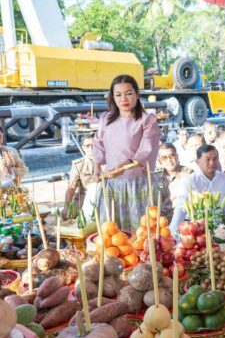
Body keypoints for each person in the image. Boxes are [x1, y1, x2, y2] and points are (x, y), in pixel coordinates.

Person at [92, 74, 161, 230]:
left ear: (137, 95)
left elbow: (146, 150)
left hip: (137, 185)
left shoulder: (147, 120)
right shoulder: (105, 119)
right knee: (113, 235)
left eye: (128, 93)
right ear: (113, 97)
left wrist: (121, 168)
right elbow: (98, 145)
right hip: (112, 185)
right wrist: (96, 170)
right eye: (118, 94)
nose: (123, 98)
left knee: (141, 234)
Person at [170, 144, 225, 233]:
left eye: (215, 159)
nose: (212, 163)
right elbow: (180, 209)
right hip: (195, 230)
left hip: (218, 228)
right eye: (207, 159)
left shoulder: (224, 178)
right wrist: (173, 235)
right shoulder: (189, 181)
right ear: (197, 161)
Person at [156, 142, 192, 220]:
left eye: (171, 156)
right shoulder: (156, 177)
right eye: (164, 158)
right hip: (162, 221)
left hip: (183, 220)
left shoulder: (189, 175)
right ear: (160, 161)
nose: (169, 160)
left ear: (177, 156)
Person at [63, 135, 97, 216]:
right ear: (83, 148)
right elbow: (71, 188)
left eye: (94, 145)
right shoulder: (78, 165)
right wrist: (66, 207)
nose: (91, 149)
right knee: (67, 216)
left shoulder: (107, 162)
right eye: (87, 146)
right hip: (84, 198)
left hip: (103, 198)